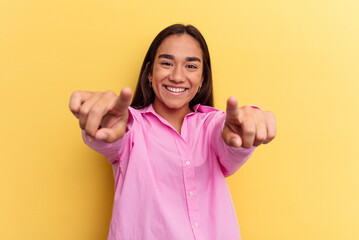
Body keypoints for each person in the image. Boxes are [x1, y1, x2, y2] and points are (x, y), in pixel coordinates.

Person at [69, 24, 276, 240]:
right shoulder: (132, 127)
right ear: (149, 73)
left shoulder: (213, 125)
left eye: (191, 66)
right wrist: (104, 121)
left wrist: (247, 124)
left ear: (203, 78)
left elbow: (226, 137)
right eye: (167, 63)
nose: (177, 76)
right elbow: (114, 135)